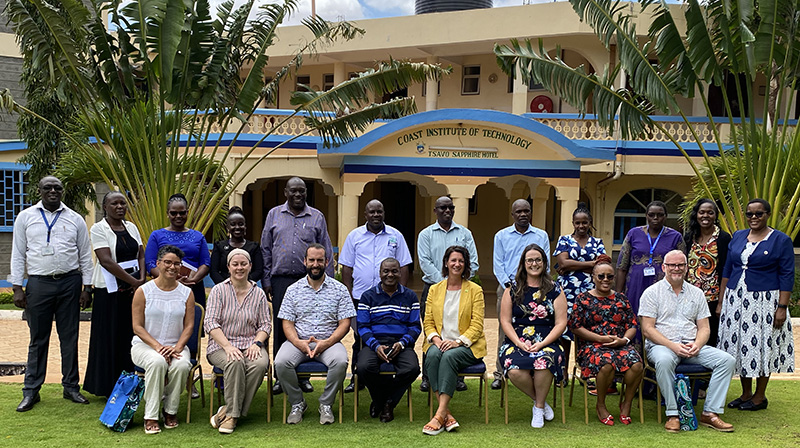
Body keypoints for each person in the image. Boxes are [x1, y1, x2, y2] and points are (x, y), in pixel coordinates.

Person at [10, 175, 94, 412]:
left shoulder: (75, 218)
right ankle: (31, 391)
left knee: (70, 338)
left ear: (63, 191)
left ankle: (71, 387)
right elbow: (18, 254)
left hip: (69, 282)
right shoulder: (25, 217)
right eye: (48, 187)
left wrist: (87, 288)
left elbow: (85, 255)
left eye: (57, 187)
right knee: (38, 339)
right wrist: (17, 287)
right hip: (38, 284)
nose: (53, 191)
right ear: (40, 190)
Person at [639, 250, 735, 433]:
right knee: (665, 360)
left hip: (692, 346)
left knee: (727, 361)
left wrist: (697, 344)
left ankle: (710, 413)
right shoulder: (651, 293)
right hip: (662, 346)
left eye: (680, 265)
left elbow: (705, 328)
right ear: (663, 267)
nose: (676, 268)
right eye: (672, 265)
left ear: (686, 268)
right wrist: (672, 345)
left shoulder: (697, 293)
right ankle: (674, 414)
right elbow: (647, 329)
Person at [718, 198, 795, 411]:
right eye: (750, 214)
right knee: (739, 344)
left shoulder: (781, 240)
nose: (753, 217)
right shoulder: (738, 236)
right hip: (735, 298)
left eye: (758, 213)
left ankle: (760, 396)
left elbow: (787, 274)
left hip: (764, 301)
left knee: (762, 344)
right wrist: (722, 300)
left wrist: (782, 307)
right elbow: (727, 268)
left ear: (767, 215)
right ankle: (745, 393)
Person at [262, 177, 334, 395]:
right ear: (286, 192)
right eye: (293, 191)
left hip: (309, 279)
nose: (297, 195)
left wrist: (327, 282)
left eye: (301, 191)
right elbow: (266, 248)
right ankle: (280, 377)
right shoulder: (274, 214)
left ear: (306, 193)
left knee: (307, 327)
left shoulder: (317, 217)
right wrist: (266, 280)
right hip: (281, 280)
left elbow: (326, 251)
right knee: (282, 328)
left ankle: (303, 378)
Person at [275, 243, 356, 425]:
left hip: (329, 342)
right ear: (305, 261)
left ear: (327, 262)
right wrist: (298, 342)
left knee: (341, 361)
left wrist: (327, 342)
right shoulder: (293, 290)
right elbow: (287, 323)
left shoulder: (340, 289)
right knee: (280, 362)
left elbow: (345, 323)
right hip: (299, 342)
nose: (315, 264)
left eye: (320, 260)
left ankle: (326, 403)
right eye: (311, 260)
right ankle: (297, 403)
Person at [340, 199, 413, 393]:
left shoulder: (395, 235)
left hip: (391, 296)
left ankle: (390, 373)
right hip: (360, 296)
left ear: (384, 213)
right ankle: (358, 377)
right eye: (371, 212)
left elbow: (404, 265)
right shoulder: (354, 236)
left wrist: (401, 293)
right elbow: (347, 266)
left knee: (391, 333)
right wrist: (348, 294)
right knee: (360, 337)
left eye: (379, 211)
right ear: (365, 214)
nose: (376, 215)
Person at [83, 191, 146, 397]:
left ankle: (127, 384)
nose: (119, 207)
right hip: (108, 293)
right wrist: (135, 281)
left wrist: (141, 280)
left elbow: (141, 254)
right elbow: (106, 260)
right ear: (105, 207)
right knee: (108, 337)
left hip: (131, 292)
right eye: (114, 204)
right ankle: (105, 386)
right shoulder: (98, 228)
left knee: (128, 336)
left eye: (122, 203)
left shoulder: (132, 227)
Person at [569, 255, 642, 426]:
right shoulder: (583, 299)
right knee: (606, 364)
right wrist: (600, 339)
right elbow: (575, 326)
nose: (605, 279)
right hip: (592, 346)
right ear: (593, 277)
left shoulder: (621, 299)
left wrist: (623, 340)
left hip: (619, 344)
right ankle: (601, 405)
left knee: (637, 364)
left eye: (610, 276)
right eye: (601, 276)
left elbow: (632, 325)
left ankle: (626, 403)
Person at [498, 244, 565, 429]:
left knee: (545, 361)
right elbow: (505, 321)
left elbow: (561, 323)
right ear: (523, 263)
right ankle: (539, 400)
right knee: (514, 369)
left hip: (547, 339)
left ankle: (539, 408)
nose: (534, 263)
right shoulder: (512, 289)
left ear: (544, 263)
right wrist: (518, 342)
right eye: (530, 260)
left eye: (538, 260)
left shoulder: (555, 289)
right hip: (516, 339)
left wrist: (543, 343)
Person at [421, 246, 486, 436]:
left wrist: (458, 341)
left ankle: (439, 414)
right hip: (439, 343)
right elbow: (428, 321)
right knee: (432, 355)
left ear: (465, 265)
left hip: (466, 346)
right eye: (453, 260)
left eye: (461, 261)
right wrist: (435, 339)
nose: (457, 264)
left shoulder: (475, 290)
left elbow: (477, 325)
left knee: (449, 357)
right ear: (446, 263)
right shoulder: (435, 289)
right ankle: (446, 414)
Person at [131, 245, 195, 434]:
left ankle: (170, 411)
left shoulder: (186, 293)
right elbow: (137, 327)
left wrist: (177, 347)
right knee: (158, 362)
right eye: (167, 262)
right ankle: (151, 415)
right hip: (145, 346)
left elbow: (189, 326)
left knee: (182, 365)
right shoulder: (143, 291)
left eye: (176, 264)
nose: (172, 267)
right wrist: (158, 347)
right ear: (158, 264)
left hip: (177, 345)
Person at [206, 248, 271, 434]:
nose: (239, 268)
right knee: (234, 361)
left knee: (260, 364)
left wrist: (257, 344)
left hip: (250, 344)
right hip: (220, 345)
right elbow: (210, 322)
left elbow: (265, 324)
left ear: (250, 266)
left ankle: (227, 410)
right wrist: (227, 346)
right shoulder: (218, 291)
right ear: (228, 267)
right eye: (235, 264)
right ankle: (233, 417)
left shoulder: (258, 294)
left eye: (243, 264)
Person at [417, 196, 478, 392]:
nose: (447, 211)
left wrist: (457, 280)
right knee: (432, 331)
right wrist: (444, 283)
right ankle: (428, 377)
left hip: (462, 289)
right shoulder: (426, 234)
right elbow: (425, 262)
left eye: (450, 207)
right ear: (435, 210)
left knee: (459, 327)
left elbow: (473, 262)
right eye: (442, 208)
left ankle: (457, 376)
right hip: (433, 289)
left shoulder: (465, 233)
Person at [491, 198, 549, 390]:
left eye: (526, 211)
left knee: (535, 327)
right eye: (519, 212)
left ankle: (533, 368)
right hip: (509, 289)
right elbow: (498, 264)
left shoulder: (541, 235)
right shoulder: (501, 235)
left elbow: (544, 262)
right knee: (505, 329)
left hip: (536, 289)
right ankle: (500, 373)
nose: (523, 214)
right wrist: (511, 287)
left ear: (530, 213)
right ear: (513, 214)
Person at [356, 258, 421, 422]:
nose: (390, 275)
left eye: (394, 271)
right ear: (380, 273)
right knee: (363, 367)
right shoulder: (367, 296)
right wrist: (376, 346)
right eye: (386, 271)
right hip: (374, 343)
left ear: (400, 272)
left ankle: (387, 402)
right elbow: (362, 327)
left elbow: (415, 327)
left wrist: (402, 343)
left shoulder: (410, 296)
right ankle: (382, 401)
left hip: (401, 343)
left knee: (412, 368)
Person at [553, 203, 606, 384]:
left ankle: (585, 373)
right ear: (573, 223)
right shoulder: (564, 240)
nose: (581, 226)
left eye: (584, 223)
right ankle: (563, 373)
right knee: (565, 332)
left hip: (591, 293)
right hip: (567, 292)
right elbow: (563, 264)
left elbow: (602, 265)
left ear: (590, 223)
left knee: (586, 332)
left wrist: (574, 264)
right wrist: (591, 264)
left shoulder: (597, 242)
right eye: (577, 223)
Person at [616, 200, 685, 316]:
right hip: (635, 284)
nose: (655, 218)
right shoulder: (633, 234)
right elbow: (622, 266)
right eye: (651, 215)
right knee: (634, 316)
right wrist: (618, 294)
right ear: (646, 216)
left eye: (660, 215)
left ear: (665, 216)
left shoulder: (675, 237)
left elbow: (683, 267)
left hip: (664, 286)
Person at [144, 193, 210, 308]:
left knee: (193, 322)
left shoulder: (198, 236)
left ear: (187, 213)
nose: (178, 216)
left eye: (182, 213)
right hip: (164, 288)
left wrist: (192, 280)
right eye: (173, 213)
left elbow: (206, 263)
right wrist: (170, 280)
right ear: (167, 214)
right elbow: (150, 263)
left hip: (193, 288)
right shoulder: (156, 235)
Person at [682, 199, 730, 347]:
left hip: (712, 298)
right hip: (690, 297)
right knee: (690, 335)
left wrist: (721, 302)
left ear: (716, 216)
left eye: (710, 212)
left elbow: (725, 270)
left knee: (710, 336)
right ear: (696, 214)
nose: (705, 216)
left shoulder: (723, 238)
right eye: (702, 212)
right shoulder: (689, 237)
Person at [210, 206, 264, 284]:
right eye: (233, 224)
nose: (237, 227)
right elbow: (214, 271)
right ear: (228, 227)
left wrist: (243, 283)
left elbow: (259, 271)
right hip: (224, 289)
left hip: (247, 288)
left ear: (245, 226)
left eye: (241, 224)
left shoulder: (254, 247)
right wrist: (226, 286)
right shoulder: (219, 246)